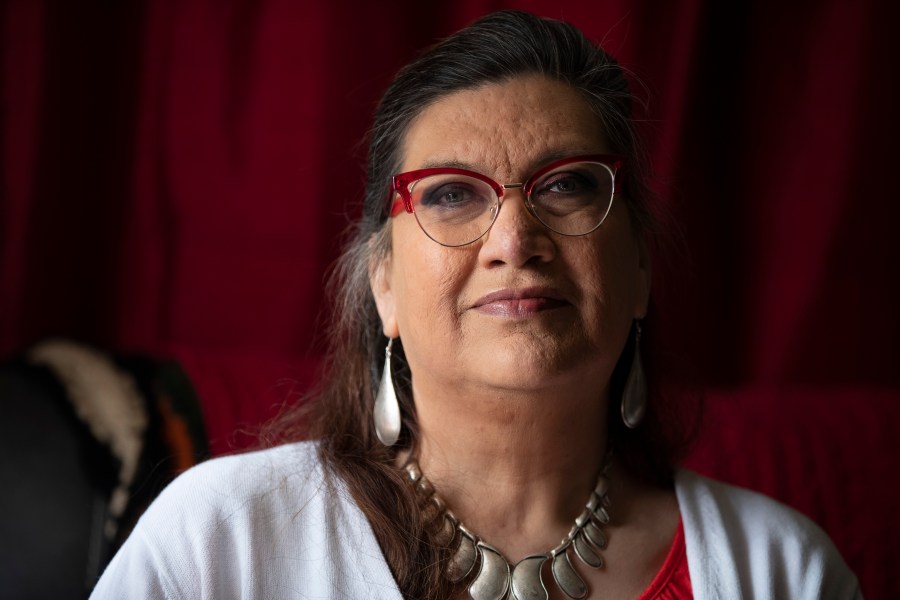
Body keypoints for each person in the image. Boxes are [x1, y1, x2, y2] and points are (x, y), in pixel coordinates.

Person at [91, 10, 861, 600]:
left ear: (638, 269)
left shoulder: (782, 569)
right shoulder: (221, 541)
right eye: (453, 194)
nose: (514, 239)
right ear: (382, 285)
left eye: (566, 185)